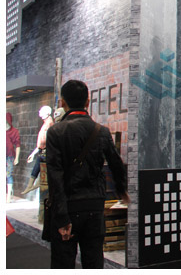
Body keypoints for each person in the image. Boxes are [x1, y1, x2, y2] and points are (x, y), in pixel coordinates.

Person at [46, 80, 129, 268]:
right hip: (94, 206)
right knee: (94, 261)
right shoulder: (102, 131)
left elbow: (55, 178)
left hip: (67, 206)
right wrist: (121, 190)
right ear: (87, 102)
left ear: (62, 102)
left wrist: (62, 217)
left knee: (62, 263)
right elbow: (116, 164)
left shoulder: (55, 132)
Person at [23, 106, 54, 194]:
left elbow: (46, 141)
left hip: (46, 150)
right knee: (38, 166)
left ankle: (32, 184)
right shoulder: (46, 124)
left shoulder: (49, 124)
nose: (40, 113)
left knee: (40, 165)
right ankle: (32, 184)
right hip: (43, 150)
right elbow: (41, 143)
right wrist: (33, 153)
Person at [6, 112, 21, 203]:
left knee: (8, 174)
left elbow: (17, 145)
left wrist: (17, 157)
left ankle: (9, 195)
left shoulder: (14, 131)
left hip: (9, 156)